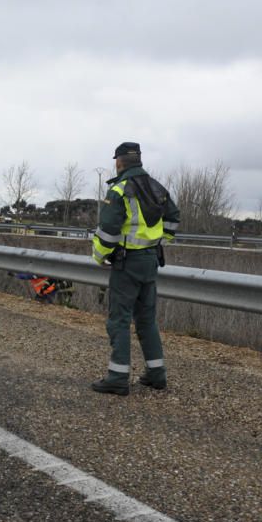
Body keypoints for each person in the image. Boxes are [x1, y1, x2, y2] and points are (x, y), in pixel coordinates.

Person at [90, 142, 180, 396]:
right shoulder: (157, 187)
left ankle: (118, 377)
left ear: (118, 162)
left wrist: (99, 257)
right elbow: (173, 218)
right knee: (146, 320)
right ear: (138, 160)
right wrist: (158, 241)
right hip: (150, 262)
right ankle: (156, 374)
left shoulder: (118, 190)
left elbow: (108, 231)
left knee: (119, 320)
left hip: (126, 263)